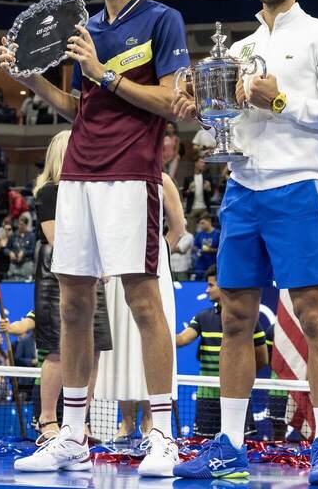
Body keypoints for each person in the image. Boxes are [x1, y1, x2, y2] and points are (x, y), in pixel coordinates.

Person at [0, 0, 190, 477]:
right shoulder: (82, 28)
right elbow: (75, 107)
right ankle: (74, 436)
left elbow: (175, 101)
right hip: (77, 176)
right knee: (74, 304)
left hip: (133, 175)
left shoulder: (162, 20)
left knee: (142, 303)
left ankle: (162, 436)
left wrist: (104, 75)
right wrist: (32, 80)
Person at [171, 0, 318, 484]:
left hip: (296, 186)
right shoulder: (240, 47)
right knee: (233, 318)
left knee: (313, 316)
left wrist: (278, 98)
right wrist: (202, 111)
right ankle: (230, 443)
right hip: (241, 189)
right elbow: (229, 123)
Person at [95, 171, 184, 444]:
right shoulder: (110, 180)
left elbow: (178, 228)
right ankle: (126, 421)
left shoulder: (163, 180)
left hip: (152, 267)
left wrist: (156, 252)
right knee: (122, 342)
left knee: (148, 337)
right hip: (115, 267)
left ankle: (150, 420)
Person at [176, 265, 268, 437]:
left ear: (223, 285)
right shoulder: (202, 317)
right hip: (207, 397)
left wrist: (240, 376)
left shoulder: (248, 320)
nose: (207, 290)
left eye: (211, 285)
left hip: (237, 396)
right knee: (202, 445)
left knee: (240, 442)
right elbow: (182, 339)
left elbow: (262, 358)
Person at [192, 215, 220, 280]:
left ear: (209, 222)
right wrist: (198, 250)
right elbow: (195, 246)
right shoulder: (199, 234)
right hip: (201, 265)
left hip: (213, 264)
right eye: (200, 224)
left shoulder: (218, 233)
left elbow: (222, 249)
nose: (201, 225)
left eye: (203, 223)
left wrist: (211, 250)